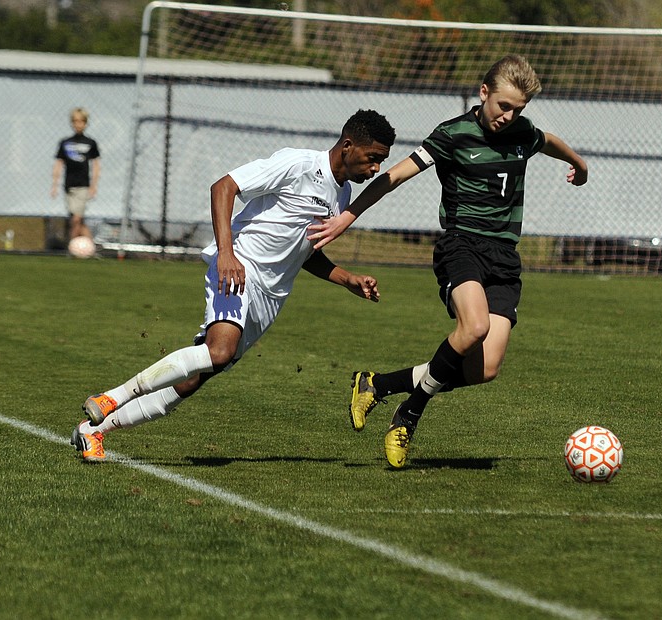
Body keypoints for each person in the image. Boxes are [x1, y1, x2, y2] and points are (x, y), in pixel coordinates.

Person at [308, 54, 588, 468]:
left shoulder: (523, 132)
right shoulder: (452, 135)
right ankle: (408, 415)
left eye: (518, 110)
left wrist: (578, 164)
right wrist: (347, 217)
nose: (509, 116)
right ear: (484, 93)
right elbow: (395, 176)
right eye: (503, 106)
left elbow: (547, 140)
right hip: (462, 247)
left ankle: (377, 384)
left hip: (505, 257)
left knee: (485, 369)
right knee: (473, 327)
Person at [71, 109, 396, 462]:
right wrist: (227, 253)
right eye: (373, 158)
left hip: (271, 297)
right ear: (348, 146)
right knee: (219, 351)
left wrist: (347, 278)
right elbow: (224, 187)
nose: (375, 168)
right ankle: (112, 397)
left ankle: (93, 431)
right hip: (239, 269)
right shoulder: (298, 165)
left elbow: (304, 250)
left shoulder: (342, 195)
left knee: (194, 379)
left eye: (380, 162)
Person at [51, 107, 101, 241]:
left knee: (76, 219)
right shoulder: (65, 143)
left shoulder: (90, 143)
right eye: (75, 121)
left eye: (81, 121)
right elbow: (58, 164)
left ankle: (71, 248)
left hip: (83, 185)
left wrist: (94, 186)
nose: (78, 124)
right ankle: (90, 247)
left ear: (85, 123)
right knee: (77, 220)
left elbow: (96, 165)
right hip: (69, 185)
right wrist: (54, 185)